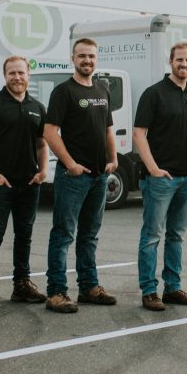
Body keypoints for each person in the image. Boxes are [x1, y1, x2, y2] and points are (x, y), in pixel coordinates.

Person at [43, 38, 119, 313]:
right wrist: (70, 164)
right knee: (63, 234)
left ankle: (89, 287)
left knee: (89, 235)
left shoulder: (102, 89)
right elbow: (50, 132)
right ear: (72, 58)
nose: (87, 60)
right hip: (73, 177)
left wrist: (113, 159)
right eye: (82, 56)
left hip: (99, 176)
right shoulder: (63, 92)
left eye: (92, 56)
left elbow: (108, 129)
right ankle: (56, 292)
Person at [0, 55, 49, 311]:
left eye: (21, 73)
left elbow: (41, 143)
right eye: (12, 73)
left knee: (24, 235)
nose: (17, 77)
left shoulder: (37, 106)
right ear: (5, 76)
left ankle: (21, 285)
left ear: (28, 75)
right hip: (0, 183)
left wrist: (43, 170)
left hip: (29, 183)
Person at [133, 42, 187, 311]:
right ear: (170, 61)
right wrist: (152, 169)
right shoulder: (154, 94)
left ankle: (173, 288)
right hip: (161, 179)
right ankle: (149, 291)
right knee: (152, 235)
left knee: (177, 235)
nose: (184, 65)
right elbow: (139, 133)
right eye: (179, 60)